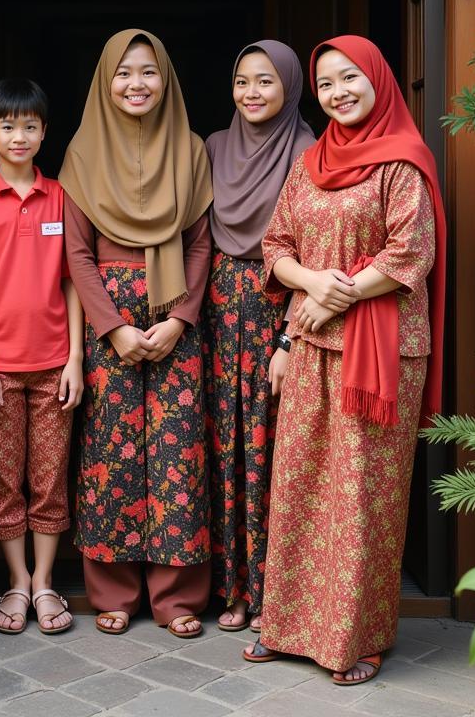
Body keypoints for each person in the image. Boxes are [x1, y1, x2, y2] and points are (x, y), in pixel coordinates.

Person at [243, 35, 445, 686]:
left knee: (360, 498)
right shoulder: (309, 162)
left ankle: (353, 639)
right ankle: (287, 627)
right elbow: (275, 243)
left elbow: (411, 252)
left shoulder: (404, 161)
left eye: (349, 78)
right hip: (309, 346)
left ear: (377, 80)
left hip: (379, 351)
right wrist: (307, 284)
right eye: (327, 83)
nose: (338, 92)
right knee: (299, 484)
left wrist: (339, 295)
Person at [60, 29, 214, 639]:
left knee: (179, 453)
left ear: (166, 79)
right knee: (108, 456)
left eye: (148, 72)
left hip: (178, 311)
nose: (136, 84)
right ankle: (114, 591)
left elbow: (201, 244)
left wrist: (180, 319)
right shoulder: (82, 153)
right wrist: (114, 328)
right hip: (110, 323)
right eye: (123, 73)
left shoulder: (193, 149)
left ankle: (177, 597)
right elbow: (76, 254)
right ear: (105, 81)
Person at [0, 78, 84, 636]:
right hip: (1, 367)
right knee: (4, 479)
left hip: (55, 363)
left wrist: (77, 358)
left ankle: (45, 581)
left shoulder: (61, 196)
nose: (19, 135)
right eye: (7, 126)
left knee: (51, 477)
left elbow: (74, 282)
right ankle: (14, 580)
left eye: (30, 125)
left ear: (44, 132)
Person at [202, 41, 315, 634]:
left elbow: (315, 250)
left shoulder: (310, 152)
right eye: (242, 81)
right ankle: (234, 588)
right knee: (226, 450)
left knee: (276, 453)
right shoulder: (214, 148)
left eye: (265, 82)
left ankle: (278, 590)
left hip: (281, 311)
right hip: (221, 315)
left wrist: (291, 340)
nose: (251, 93)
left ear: (290, 87)